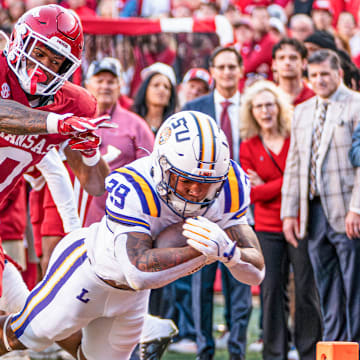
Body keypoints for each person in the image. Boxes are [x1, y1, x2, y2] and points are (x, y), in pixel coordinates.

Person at [0, 110, 265, 360]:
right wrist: (205, 250)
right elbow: (137, 271)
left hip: (131, 299)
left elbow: (256, 271)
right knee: (22, 334)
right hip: (86, 271)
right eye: (186, 181)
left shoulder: (231, 184)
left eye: (206, 184)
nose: (196, 192)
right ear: (163, 166)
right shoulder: (134, 183)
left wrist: (231, 253)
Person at [0, 4, 112, 297]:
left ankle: (141, 335)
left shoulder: (73, 104)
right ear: (19, 41)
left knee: (29, 322)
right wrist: (57, 124)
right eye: (39, 53)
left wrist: (90, 150)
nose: (44, 66)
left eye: (55, 61)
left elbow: (96, 185)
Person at [281, 49, 360, 342]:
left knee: (354, 285)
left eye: (325, 74)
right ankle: (335, 345)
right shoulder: (302, 110)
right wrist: (289, 213)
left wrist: (357, 208)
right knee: (325, 284)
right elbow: (294, 162)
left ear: (338, 74)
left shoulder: (356, 105)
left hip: (347, 210)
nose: (319, 80)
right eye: (313, 75)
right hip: (313, 212)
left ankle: (356, 346)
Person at [240, 80, 321, 360]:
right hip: (265, 227)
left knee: (306, 289)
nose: (265, 111)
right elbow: (251, 193)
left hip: (299, 223)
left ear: (280, 108)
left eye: (270, 105)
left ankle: (309, 351)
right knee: (272, 291)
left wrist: (270, 184)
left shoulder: (294, 137)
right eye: (259, 106)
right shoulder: (248, 146)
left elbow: (304, 179)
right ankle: (275, 353)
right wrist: (287, 181)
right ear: (251, 111)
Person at [182, 46, 252, 360]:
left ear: (240, 71)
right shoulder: (194, 107)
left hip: (242, 205)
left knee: (240, 277)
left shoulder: (252, 105)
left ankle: (237, 349)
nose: (226, 72)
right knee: (202, 281)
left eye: (231, 67)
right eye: (220, 67)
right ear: (213, 70)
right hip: (202, 206)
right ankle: (204, 350)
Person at [84, 57, 155, 226]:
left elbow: (151, 173)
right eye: (100, 80)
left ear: (120, 86)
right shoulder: (74, 121)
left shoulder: (136, 125)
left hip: (121, 219)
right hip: (77, 217)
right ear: (87, 84)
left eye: (111, 81)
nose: (105, 86)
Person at [132, 62, 177, 135]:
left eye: (166, 87)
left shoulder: (175, 125)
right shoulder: (132, 121)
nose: (162, 90)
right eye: (156, 85)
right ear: (145, 90)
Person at [272, 38, 315, 106]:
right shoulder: (269, 98)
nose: (287, 62)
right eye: (281, 58)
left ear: (304, 63)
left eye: (293, 58)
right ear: (274, 64)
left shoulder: (315, 96)